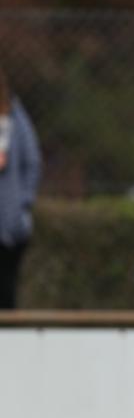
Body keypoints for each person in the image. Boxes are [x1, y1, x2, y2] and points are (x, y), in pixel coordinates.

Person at [0, 68, 41, 309]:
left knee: (6, 290)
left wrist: (22, 203)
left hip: (9, 224)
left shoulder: (16, 118)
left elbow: (32, 162)